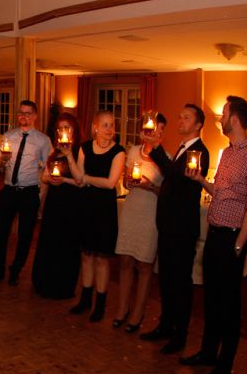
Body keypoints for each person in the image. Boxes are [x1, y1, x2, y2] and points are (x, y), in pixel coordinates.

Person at [181, 95, 247, 374]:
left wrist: (239, 245)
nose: (220, 119)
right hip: (214, 234)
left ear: (234, 119)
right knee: (211, 298)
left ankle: (224, 365)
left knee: (229, 304)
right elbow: (221, 193)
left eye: (223, 114)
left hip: (232, 239)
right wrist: (201, 181)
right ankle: (208, 353)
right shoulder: (226, 153)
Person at [139, 104, 209, 351]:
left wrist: (155, 146)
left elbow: (175, 176)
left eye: (186, 118)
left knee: (180, 282)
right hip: (169, 226)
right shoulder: (182, 147)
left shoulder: (200, 152)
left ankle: (180, 335)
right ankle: (166, 325)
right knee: (167, 279)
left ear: (198, 125)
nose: (180, 120)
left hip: (182, 229)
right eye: (180, 116)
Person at [0, 100, 52, 285]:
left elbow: (48, 167)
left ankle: (16, 269)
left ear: (35, 116)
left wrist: (44, 190)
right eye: (21, 113)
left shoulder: (43, 140)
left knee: (25, 234)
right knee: (0, 231)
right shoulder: (8, 136)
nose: (24, 116)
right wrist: (1, 161)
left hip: (29, 192)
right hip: (8, 190)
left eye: (28, 113)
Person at [68, 110, 125, 322]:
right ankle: (85, 300)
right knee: (86, 256)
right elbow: (78, 179)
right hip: (85, 207)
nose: (109, 129)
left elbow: (110, 183)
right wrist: (69, 156)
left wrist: (87, 178)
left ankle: (100, 304)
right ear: (95, 127)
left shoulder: (118, 151)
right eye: (105, 125)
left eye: (112, 125)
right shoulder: (84, 148)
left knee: (101, 259)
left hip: (104, 210)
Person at [112, 114, 166, 333]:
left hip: (150, 213)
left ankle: (138, 313)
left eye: (159, 130)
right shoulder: (133, 151)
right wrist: (130, 181)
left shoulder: (166, 158)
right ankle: (122, 308)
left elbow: (167, 193)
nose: (155, 133)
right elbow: (126, 182)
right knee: (125, 260)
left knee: (144, 264)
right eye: (153, 129)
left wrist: (149, 185)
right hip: (132, 210)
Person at [32, 112, 83, 299]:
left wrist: (68, 161)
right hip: (54, 202)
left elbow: (80, 180)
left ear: (74, 130)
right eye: (60, 128)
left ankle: (63, 285)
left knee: (66, 243)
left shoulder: (80, 151)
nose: (63, 131)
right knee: (50, 241)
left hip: (71, 204)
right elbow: (45, 176)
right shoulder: (54, 152)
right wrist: (50, 180)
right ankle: (45, 281)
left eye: (66, 128)